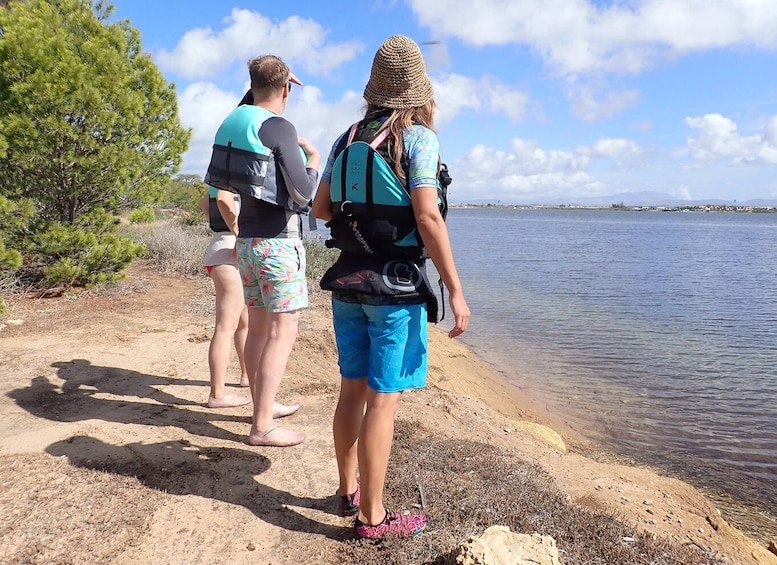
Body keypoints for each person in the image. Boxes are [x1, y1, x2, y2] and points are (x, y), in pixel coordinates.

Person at [312, 35, 470, 539]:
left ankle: (347, 491)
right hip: (396, 291)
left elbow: (320, 210)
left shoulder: (348, 137)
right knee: (383, 401)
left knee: (351, 392)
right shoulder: (420, 140)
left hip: (348, 280)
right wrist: (455, 290)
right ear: (421, 93)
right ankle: (373, 519)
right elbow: (427, 215)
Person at [204, 55, 320, 447]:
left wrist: (269, 80)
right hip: (277, 244)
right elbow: (303, 192)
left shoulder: (234, 121)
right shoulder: (279, 126)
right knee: (283, 331)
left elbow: (249, 105)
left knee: (256, 328)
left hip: (246, 244)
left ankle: (262, 409)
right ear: (287, 88)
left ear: (251, 85)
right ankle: (263, 426)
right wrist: (315, 162)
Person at [199, 187, 251, 408]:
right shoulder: (229, 179)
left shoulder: (221, 178)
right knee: (225, 327)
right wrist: (238, 232)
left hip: (223, 249)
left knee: (244, 322)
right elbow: (222, 198)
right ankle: (217, 395)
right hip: (229, 253)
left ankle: (246, 376)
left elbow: (205, 203)